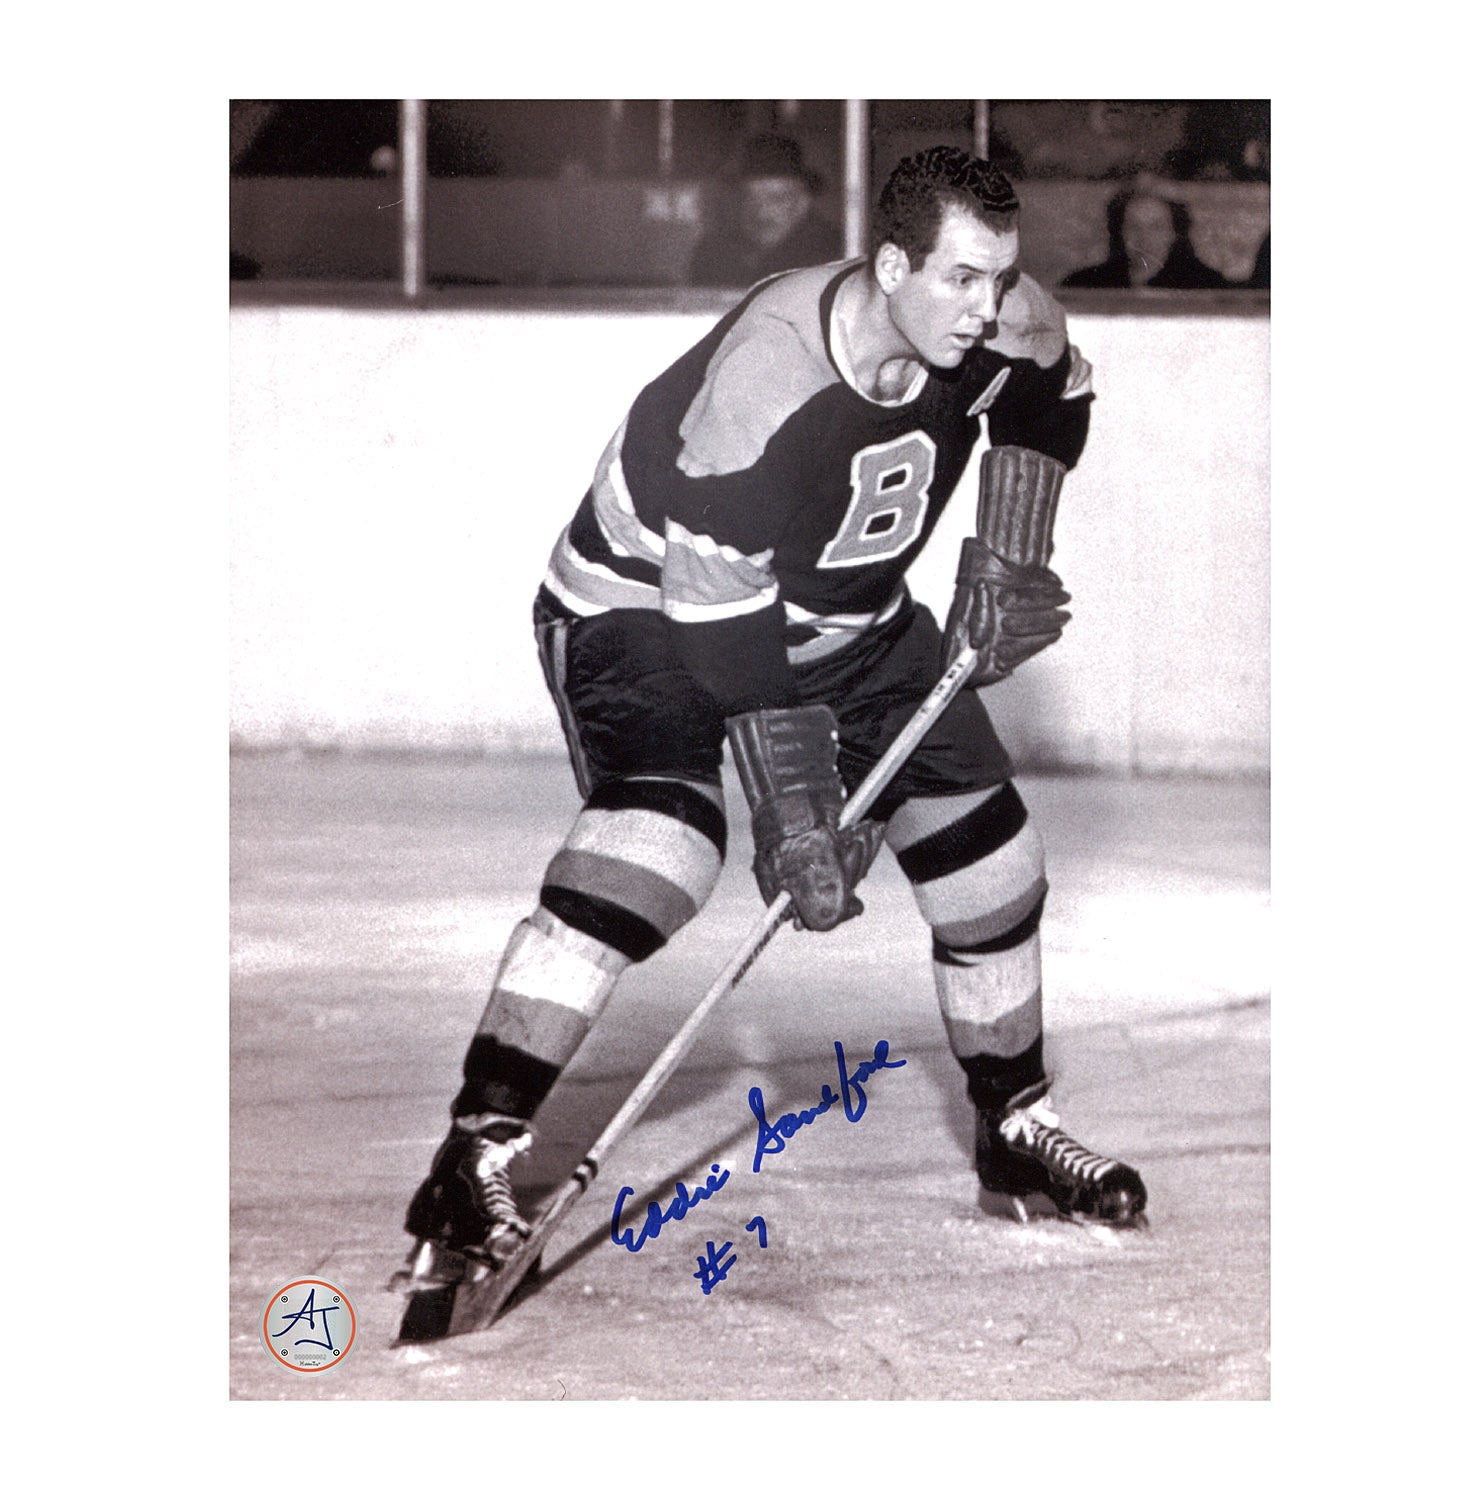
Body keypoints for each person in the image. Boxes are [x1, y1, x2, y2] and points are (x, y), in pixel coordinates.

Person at [403, 146, 1147, 1284]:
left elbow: (1051, 404)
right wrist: (799, 811)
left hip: (847, 614)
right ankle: (475, 1152)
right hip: (645, 608)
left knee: (992, 867)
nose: (986, 306)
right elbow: (721, 624)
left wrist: (1009, 553)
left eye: (999, 276)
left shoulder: (1008, 318)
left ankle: (1012, 1126)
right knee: (661, 848)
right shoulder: (769, 382)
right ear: (890, 267)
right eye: (959, 279)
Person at [689, 132, 843, 287]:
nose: (761, 212)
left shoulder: (833, 253)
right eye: (751, 198)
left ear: (803, 202)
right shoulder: (713, 251)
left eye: (776, 199)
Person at [1061, 188, 1231, 290]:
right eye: (1133, 226)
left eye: (1156, 227)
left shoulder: (1207, 285)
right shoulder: (1086, 283)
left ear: (1174, 233)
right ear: (1120, 232)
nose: (1144, 237)